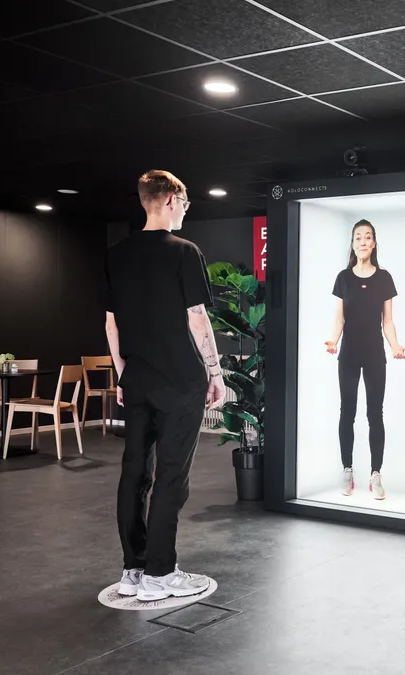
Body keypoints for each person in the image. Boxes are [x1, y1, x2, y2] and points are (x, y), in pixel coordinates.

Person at [104, 170, 224, 602]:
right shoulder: (184, 252)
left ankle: (133, 571)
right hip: (180, 381)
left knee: (133, 472)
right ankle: (160, 573)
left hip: (136, 380)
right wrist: (216, 372)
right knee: (172, 475)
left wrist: (122, 373)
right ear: (171, 199)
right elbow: (197, 318)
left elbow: (111, 323)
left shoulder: (115, 254)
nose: (186, 210)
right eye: (186, 202)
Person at [324, 220, 405, 501]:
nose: (362, 241)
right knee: (347, 411)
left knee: (375, 414)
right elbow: (339, 318)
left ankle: (376, 474)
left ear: (373, 243)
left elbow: (388, 321)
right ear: (353, 243)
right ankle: (347, 470)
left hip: (374, 354)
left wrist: (395, 345)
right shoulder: (343, 278)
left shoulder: (384, 278)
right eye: (358, 237)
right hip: (348, 353)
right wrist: (333, 340)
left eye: (367, 237)